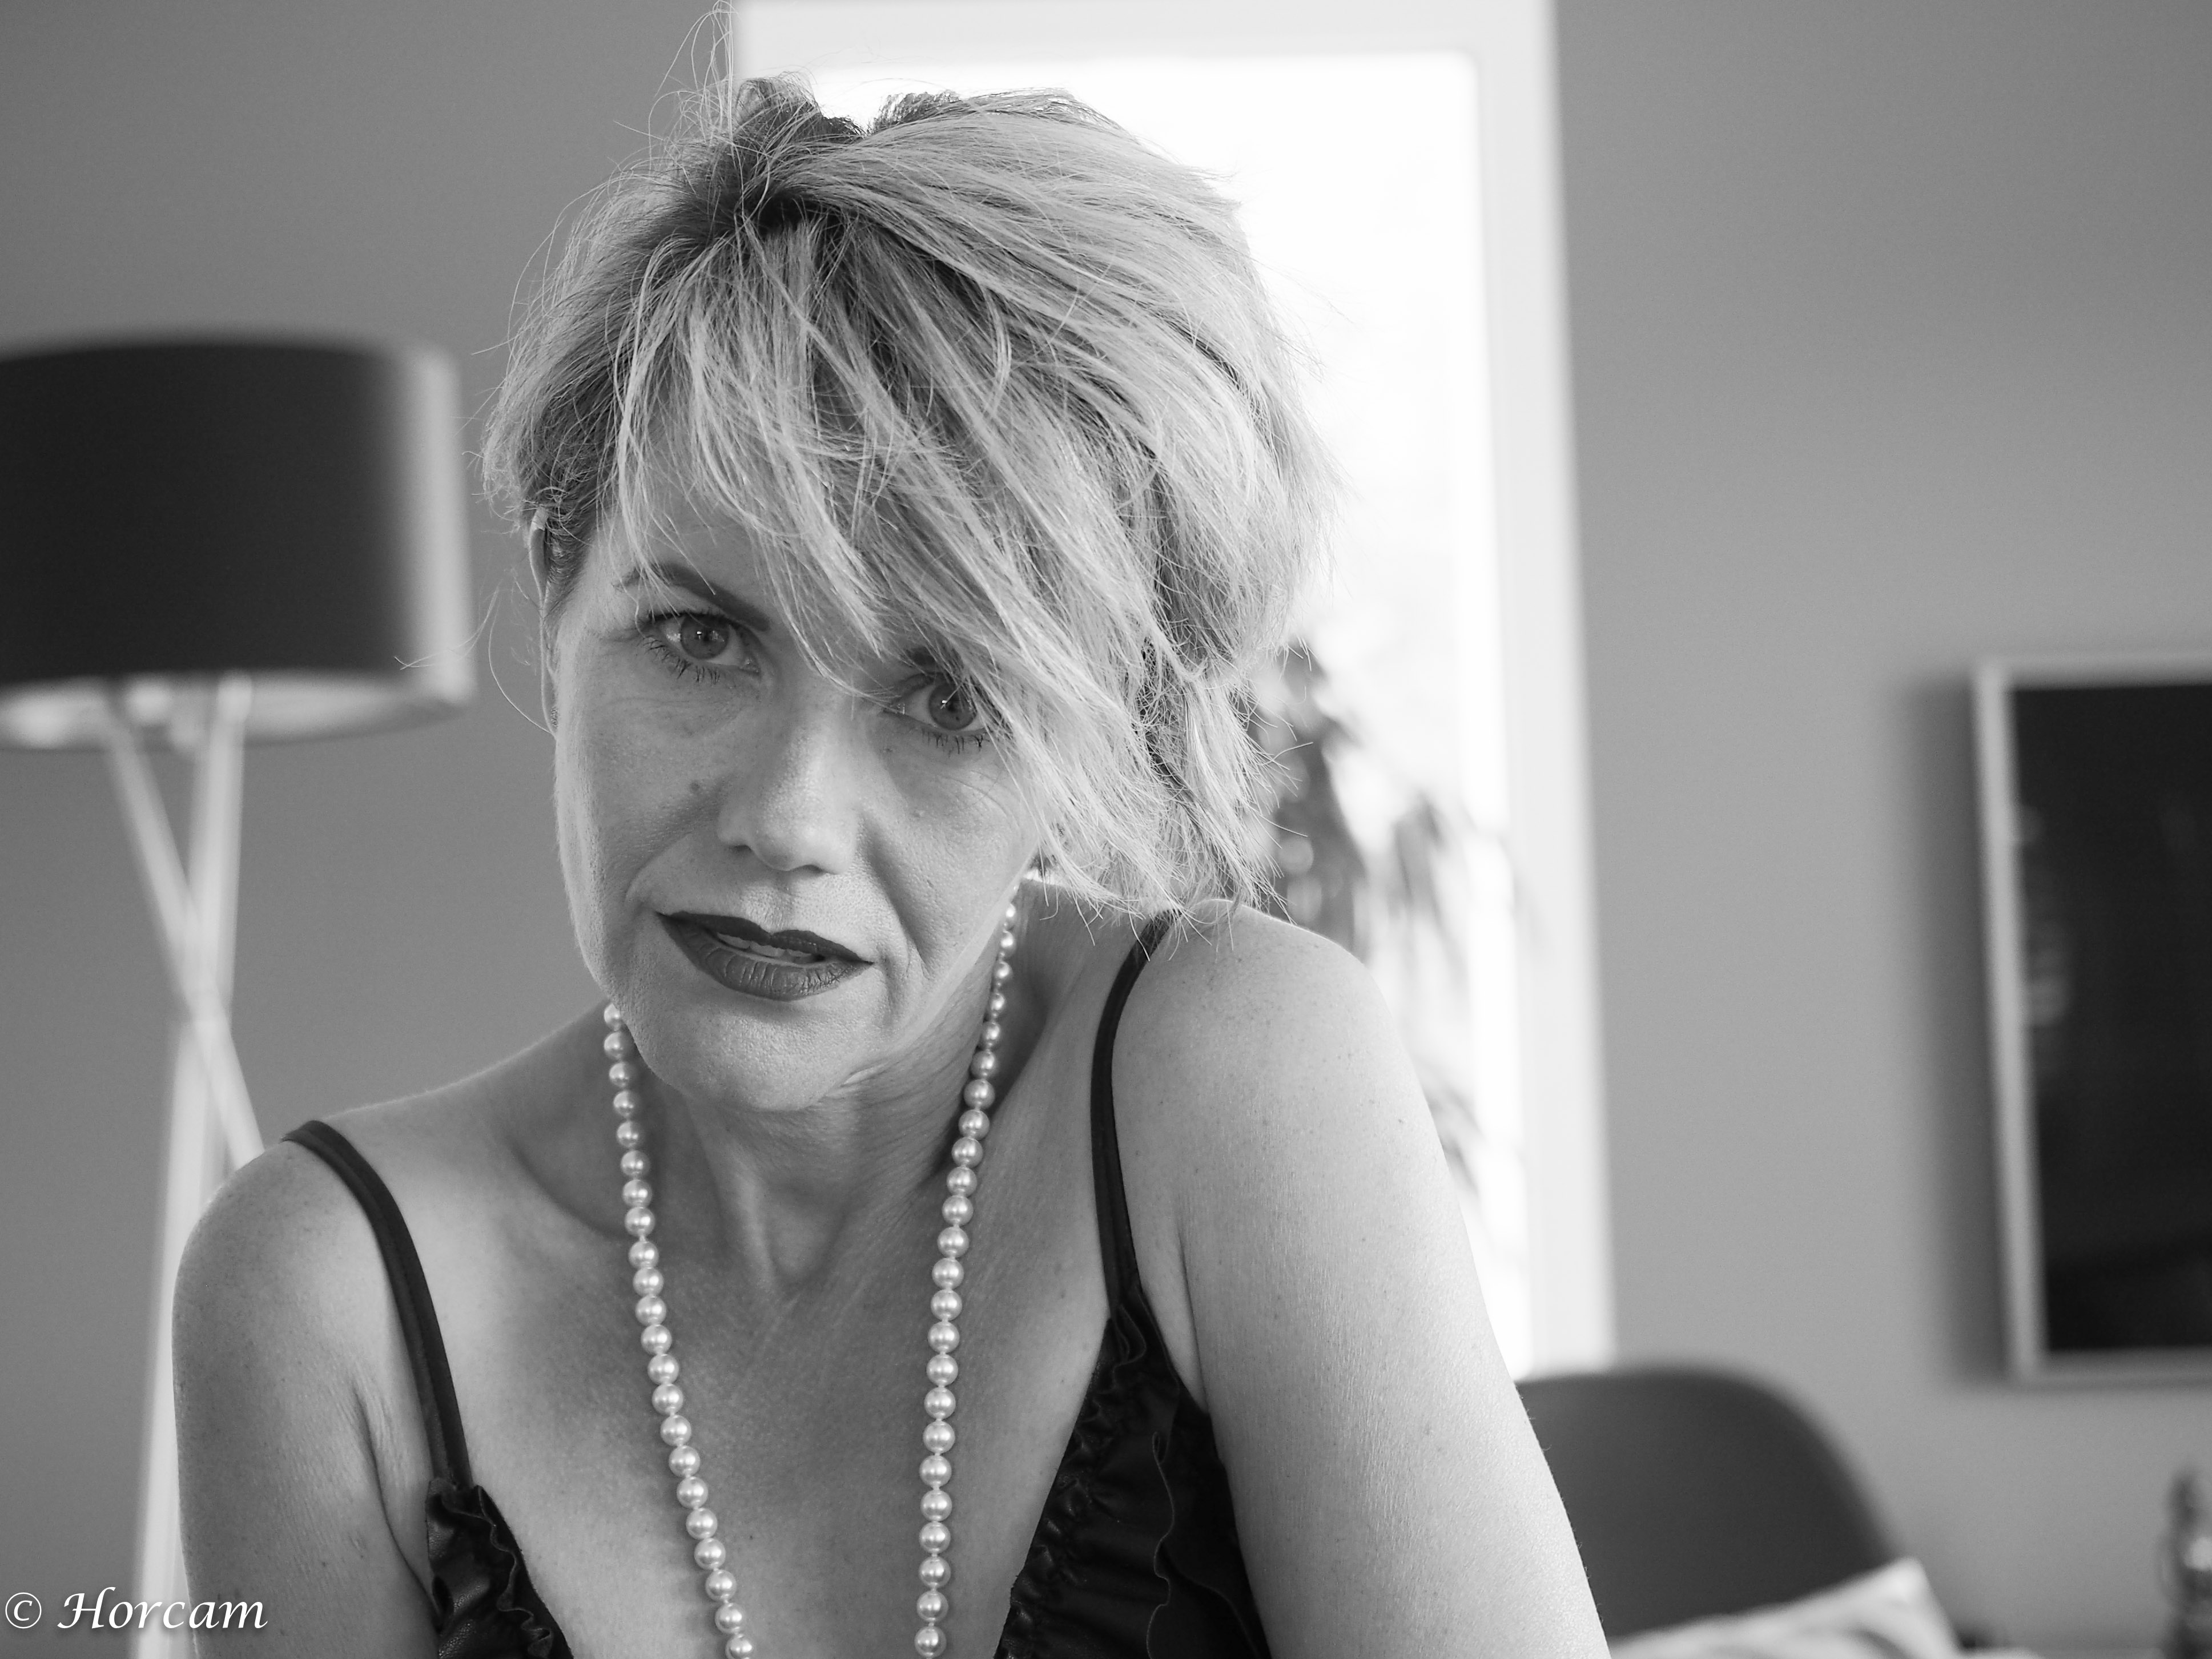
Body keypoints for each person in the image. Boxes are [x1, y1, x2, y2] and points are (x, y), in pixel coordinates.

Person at [174, 73, 1605, 1659]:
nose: (789, 818)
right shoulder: (323, 1293)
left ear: (1090, 734)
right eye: (698, 637)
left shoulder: (1237, 1072)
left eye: (952, 700)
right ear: (556, 594)